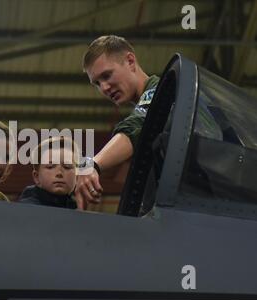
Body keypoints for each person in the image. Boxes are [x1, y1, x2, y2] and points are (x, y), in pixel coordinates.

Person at [75, 35, 160, 209]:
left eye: (107, 75)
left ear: (130, 61)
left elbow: (137, 125)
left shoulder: (162, 93)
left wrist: (92, 164)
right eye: (97, 83)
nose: (104, 88)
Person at [18, 137, 78, 209]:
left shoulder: (84, 209)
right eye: (50, 167)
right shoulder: (24, 209)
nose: (59, 173)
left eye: (67, 167)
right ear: (36, 177)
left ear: (77, 176)